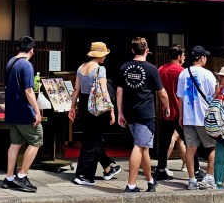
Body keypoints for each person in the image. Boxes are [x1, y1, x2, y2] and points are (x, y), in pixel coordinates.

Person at [116, 37, 167, 193]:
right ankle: (131, 184)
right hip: (145, 113)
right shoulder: (151, 69)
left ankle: (151, 181)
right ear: (147, 50)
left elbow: (119, 91)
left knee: (144, 147)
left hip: (130, 112)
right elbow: (162, 92)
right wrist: (168, 106)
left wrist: (120, 113)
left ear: (132, 50)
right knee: (139, 146)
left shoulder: (124, 67)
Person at [70, 42, 120, 186]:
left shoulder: (81, 68)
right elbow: (104, 91)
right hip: (97, 105)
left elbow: (76, 90)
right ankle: (83, 174)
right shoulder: (100, 69)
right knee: (93, 141)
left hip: (85, 104)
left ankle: (108, 167)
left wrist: (72, 107)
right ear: (101, 55)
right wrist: (111, 110)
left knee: (92, 138)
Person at [1, 36, 43, 193]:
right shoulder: (26, 65)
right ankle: (22, 175)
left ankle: (9, 178)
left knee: (15, 143)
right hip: (23, 110)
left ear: (18, 48)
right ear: (31, 50)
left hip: (11, 110)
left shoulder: (11, 62)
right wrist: (37, 112)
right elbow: (28, 91)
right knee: (37, 139)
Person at [177, 45, 217, 190]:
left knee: (190, 149)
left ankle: (192, 180)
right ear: (201, 58)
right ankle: (209, 177)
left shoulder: (183, 74)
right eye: (205, 56)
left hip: (188, 117)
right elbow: (214, 94)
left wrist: (181, 116)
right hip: (204, 117)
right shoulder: (208, 74)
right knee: (213, 147)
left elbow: (180, 98)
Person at [154, 44, 184, 181]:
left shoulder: (160, 70)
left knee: (165, 141)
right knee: (189, 141)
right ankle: (195, 169)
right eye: (183, 55)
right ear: (179, 57)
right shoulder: (182, 72)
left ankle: (160, 168)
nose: (184, 58)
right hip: (179, 111)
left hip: (165, 111)